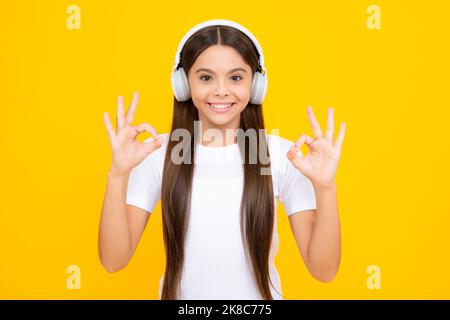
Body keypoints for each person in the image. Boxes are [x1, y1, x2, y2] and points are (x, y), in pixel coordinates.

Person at [99, 19, 346, 300]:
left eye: (236, 77)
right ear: (182, 83)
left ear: (256, 85)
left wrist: (325, 188)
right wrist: (118, 174)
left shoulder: (281, 155)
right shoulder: (159, 153)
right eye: (205, 77)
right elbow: (113, 260)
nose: (221, 90)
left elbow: (323, 270)